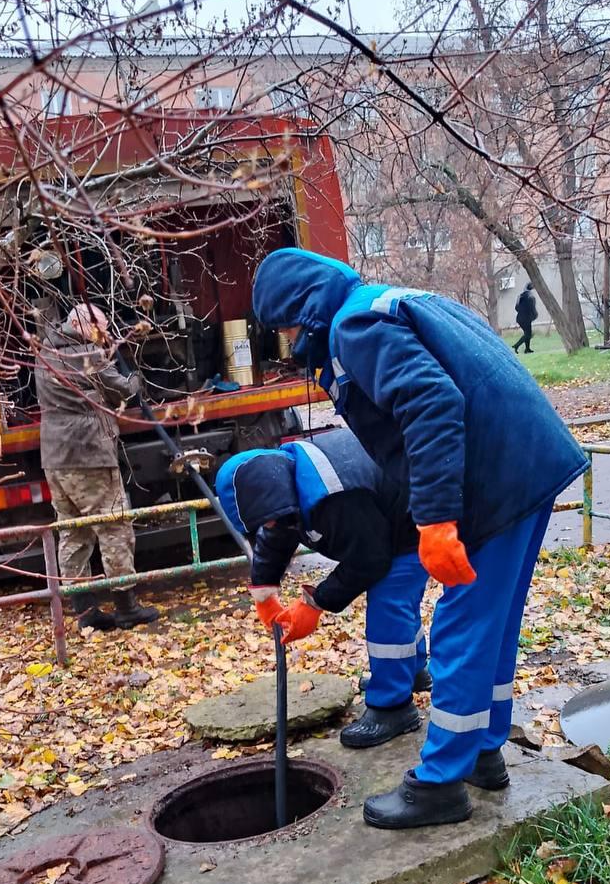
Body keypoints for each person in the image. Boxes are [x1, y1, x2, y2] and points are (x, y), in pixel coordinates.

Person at [252, 248, 588, 830]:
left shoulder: (354, 327)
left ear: (300, 310)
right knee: (492, 625)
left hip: (493, 481)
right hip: (525, 466)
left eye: (283, 326)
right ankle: (483, 752)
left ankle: (439, 785)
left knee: (461, 628)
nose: (286, 339)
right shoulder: (382, 304)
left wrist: (435, 521)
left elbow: (431, 403)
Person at [215, 427, 432, 748]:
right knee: (397, 606)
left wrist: (315, 603)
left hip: (411, 522)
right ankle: (411, 672)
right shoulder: (285, 483)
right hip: (388, 511)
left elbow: (369, 559)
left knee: (389, 607)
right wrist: (264, 590)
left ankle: (393, 708)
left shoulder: (333, 496)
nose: (270, 525)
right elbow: (277, 534)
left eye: (269, 518)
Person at [34, 302, 159, 631]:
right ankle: (126, 607)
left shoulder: (46, 353)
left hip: (55, 457)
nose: (104, 335)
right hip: (89, 455)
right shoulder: (86, 355)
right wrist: (136, 377)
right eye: (100, 328)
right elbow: (123, 389)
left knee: (73, 531)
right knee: (114, 526)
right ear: (82, 326)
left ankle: (85, 613)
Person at [512, 283, 538, 354]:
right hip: (526, 318)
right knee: (528, 334)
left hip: (519, 318)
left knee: (527, 333)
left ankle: (527, 349)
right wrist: (534, 315)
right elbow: (532, 308)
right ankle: (516, 345)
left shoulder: (520, 296)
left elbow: (516, 308)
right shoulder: (531, 297)